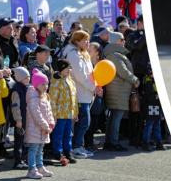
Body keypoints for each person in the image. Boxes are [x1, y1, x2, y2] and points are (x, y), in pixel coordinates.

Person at [62, 30, 97, 158]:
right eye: (84, 40)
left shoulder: (82, 53)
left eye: (88, 39)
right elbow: (80, 76)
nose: (87, 42)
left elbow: (90, 72)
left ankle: (78, 146)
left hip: (86, 93)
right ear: (77, 41)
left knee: (83, 122)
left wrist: (95, 85)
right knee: (83, 122)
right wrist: (94, 87)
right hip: (79, 93)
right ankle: (76, 147)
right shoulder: (73, 54)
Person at [103, 32, 139, 151]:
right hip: (118, 91)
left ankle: (110, 141)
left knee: (114, 117)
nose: (124, 41)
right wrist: (134, 79)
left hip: (117, 90)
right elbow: (123, 71)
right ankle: (113, 142)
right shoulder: (114, 55)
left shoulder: (113, 54)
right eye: (122, 39)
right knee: (116, 117)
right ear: (117, 41)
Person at [25, 69, 55, 179]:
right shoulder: (33, 97)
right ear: (36, 84)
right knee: (33, 149)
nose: (46, 86)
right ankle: (32, 169)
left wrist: (51, 123)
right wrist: (45, 126)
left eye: (47, 84)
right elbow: (36, 114)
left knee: (40, 149)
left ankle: (40, 167)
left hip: (43, 129)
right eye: (43, 84)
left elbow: (49, 111)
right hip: (35, 129)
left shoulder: (44, 96)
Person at [49, 60, 78, 164]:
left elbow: (74, 98)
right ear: (61, 69)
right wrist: (54, 114)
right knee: (58, 133)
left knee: (68, 134)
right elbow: (52, 99)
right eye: (66, 68)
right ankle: (58, 152)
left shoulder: (71, 81)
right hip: (60, 114)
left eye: (69, 68)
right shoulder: (56, 82)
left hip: (69, 113)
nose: (69, 70)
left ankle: (68, 151)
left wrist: (75, 112)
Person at [10, 67, 30, 169]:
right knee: (19, 141)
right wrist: (18, 119)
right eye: (26, 78)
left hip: (27, 119)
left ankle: (24, 159)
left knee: (25, 140)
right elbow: (15, 106)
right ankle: (18, 161)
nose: (28, 79)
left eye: (29, 77)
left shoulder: (27, 87)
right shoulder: (16, 90)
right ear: (19, 78)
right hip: (20, 120)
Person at [140, 66, 164, 151]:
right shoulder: (148, 80)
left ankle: (159, 143)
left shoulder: (151, 80)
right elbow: (149, 94)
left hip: (155, 104)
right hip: (151, 104)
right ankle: (145, 142)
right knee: (150, 124)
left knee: (157, 124)